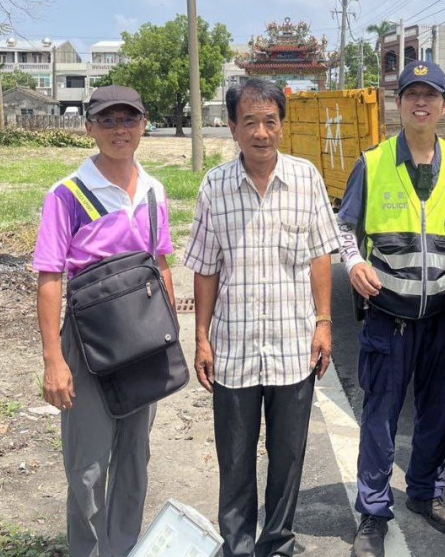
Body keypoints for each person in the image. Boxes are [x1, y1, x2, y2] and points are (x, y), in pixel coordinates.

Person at [184, 78, 340, 557]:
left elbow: (319, 257)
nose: (260, 132)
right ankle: (237, 545)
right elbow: (206, 269)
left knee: (289, 457)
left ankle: (277, 543)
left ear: (281, 126)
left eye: (270, 121)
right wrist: (202, 338)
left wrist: (324, 322)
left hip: (293, 347)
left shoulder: (307, 178)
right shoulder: (215, 185)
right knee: (235, 460)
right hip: (234, 350)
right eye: (249, 122)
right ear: (232, 127)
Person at [338, 60, 445, 557]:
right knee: (379, 416)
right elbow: (343, 228)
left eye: (431, 95)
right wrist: (354, 262)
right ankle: (373, 512)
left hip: (443, 315)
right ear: (397, 104)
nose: (420, 103)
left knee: (437, 411)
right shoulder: (373, 162)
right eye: (410, 94)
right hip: (390, 317)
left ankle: (425, 493)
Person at [33, 85, 177, 557]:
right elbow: (50, 278)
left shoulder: (155, 191)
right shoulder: (68, 194)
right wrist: (54, 361)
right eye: (108, 120)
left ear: (144, 124)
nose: (120, 129)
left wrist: (171, 338)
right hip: (88, 345)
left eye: (129, 119)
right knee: (88, 467)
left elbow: (162, 266)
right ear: (89, 127)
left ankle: (123, 548)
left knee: (135, 459)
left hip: (143, 342)